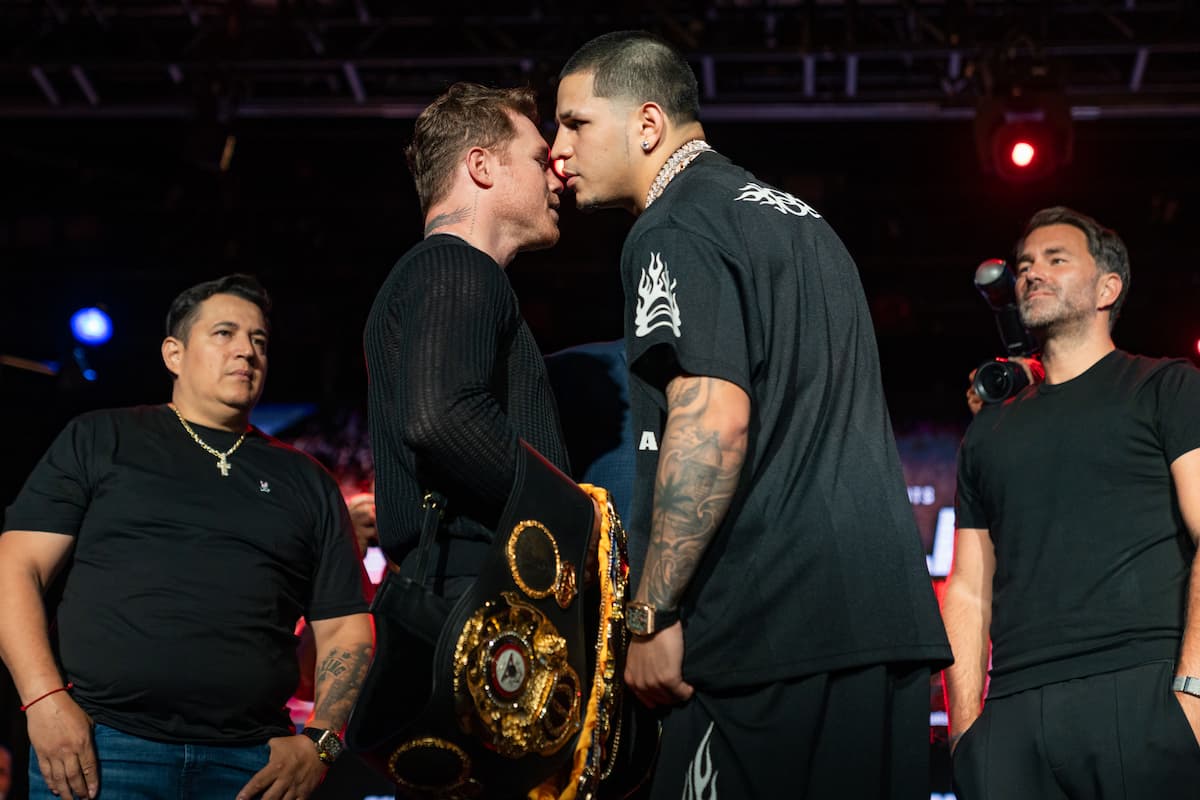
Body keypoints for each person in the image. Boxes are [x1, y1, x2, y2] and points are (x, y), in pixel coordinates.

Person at [551, 31, 952, 799]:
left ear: (646, 124)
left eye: (575, 123)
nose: (558, 150)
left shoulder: (671, 228)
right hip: (879, 636)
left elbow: (714, 419)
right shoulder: (801, 222)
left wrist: (650, 616)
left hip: (766, 640)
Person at [0, 274, 373, 800]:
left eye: (259, 340)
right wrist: (42, 702)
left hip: (252, 767)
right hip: (103, 750)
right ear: (173, 354)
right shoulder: (102, 438)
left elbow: (347, 630)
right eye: (224, 333)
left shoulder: (306, 480)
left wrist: (321, 744)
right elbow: (15, 568)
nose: (246, 350)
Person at [943, 207, 1200, 798]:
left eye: (1057, 260)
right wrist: (965, 734)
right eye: (1026, 264)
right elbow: (968, 587)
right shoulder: (989, 429)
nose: (1032, 273)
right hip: (1010, 713)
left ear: (1108, 287)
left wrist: (1190, 695)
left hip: (1139, 689)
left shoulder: (1166, 387)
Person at [363, 82, 570, 593]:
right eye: (539, 159)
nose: (558, 176)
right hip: (475, 585)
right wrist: (567, 511)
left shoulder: (431, 273)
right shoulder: (456, 264)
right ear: (481, 166)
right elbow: (442, 416)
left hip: (452, 577)